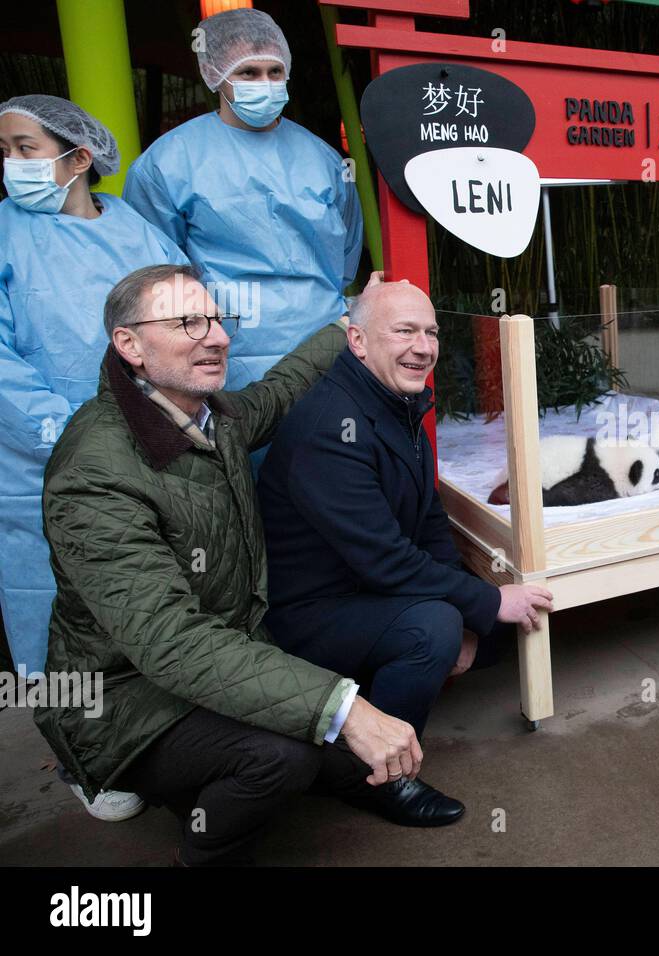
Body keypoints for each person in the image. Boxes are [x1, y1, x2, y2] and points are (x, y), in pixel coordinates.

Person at [36, 265, 461, 867]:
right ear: (129, 345)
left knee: (373, 674)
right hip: (123, 697)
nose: (216, 337)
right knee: (287, 749)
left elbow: (281, 390)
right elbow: (171, 643)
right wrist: (345, 710)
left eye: (215, 318)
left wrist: (352, 322)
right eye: (188, 322)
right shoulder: (94, 473)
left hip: (230, 646)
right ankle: (206, 851)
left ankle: (358, 781)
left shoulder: (214, 417)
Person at [0, 95, 188, 823]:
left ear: (77, 158)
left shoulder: (137, 229)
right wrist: (67, 435)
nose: (11, 165)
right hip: (36, 462)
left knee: (145, 586)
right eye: (7, 151)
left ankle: (151, 730)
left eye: (24, 148)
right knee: (46, 605)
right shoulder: (5, 233)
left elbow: (180, 316)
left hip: (146, 439)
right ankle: (81, 754)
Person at [257, 281, 552, 739]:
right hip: (314, 612)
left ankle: (374, 692)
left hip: (366, 584)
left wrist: (477, 612)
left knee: (495, 627)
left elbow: (429, 519)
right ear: (357, 341)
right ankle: (377, 770)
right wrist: (483, 602)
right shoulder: (334, 429)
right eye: (404, 331)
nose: (423, 347)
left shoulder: (396, 401)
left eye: (431, 333)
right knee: (436, 627)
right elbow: (385, 560)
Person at [124, 7, 362, 390]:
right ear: (215, 74)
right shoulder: (168, 163)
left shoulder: (326, 160)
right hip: (225, 351)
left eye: (274, 72)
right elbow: (155, 273)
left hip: (324, 347)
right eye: (248, 73)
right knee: (237, 444)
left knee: (326, 444)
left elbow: (346, 255)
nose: (264, 83)